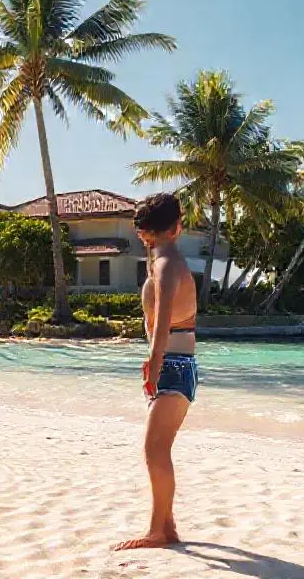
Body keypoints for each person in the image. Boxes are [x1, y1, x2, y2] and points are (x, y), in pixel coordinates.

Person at [112, 192, 199, 551]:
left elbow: (162, 320)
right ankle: (167, 525)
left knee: (154, 450)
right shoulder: (169, 262)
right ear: (177, 227)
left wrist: (154, 363)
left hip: (172, 365)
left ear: (142, 232)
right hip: (180, 364)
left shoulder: (166, 265)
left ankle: (157, 530)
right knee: (158, 449)